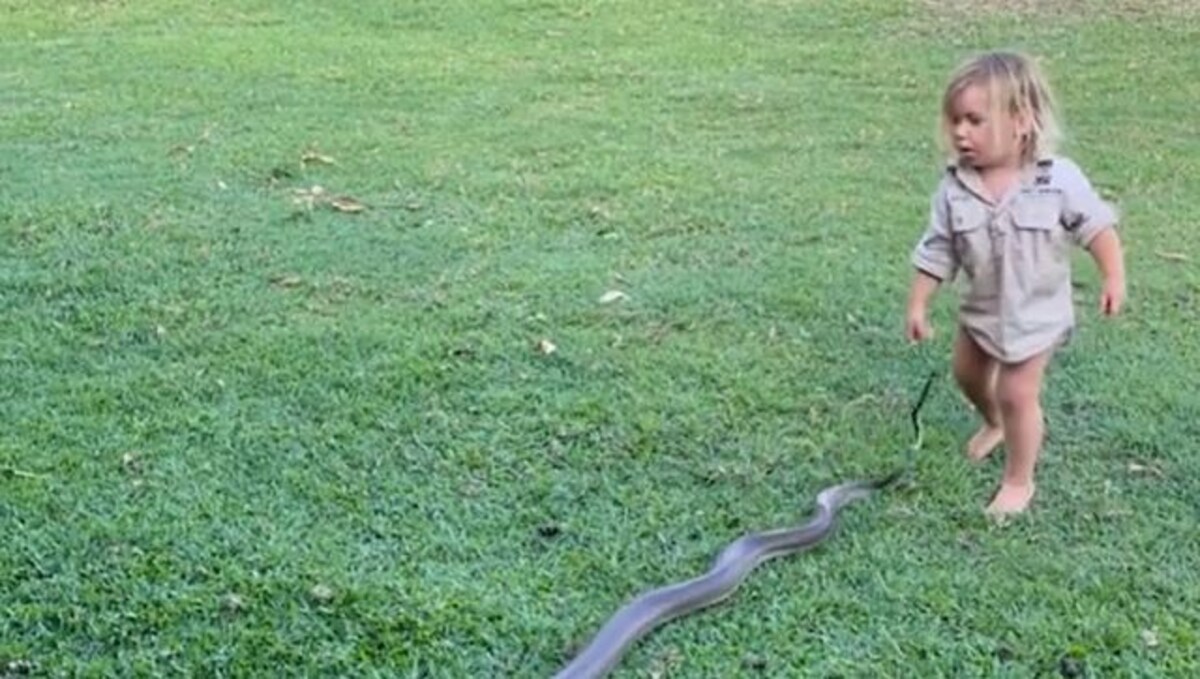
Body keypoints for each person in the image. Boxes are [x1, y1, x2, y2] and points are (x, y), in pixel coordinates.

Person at [904, 50, 1126, 515]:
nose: (960, 132)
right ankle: (995, 423)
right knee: (966, 374)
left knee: (1017, 392)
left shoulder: (1056, 179)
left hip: (1036, 315)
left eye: (974, 120)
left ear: (1021, 120)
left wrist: (1112, 276)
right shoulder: (954, 188)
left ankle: (1019, 480)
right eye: (954, 121)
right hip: (982, 311)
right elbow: (937, 250)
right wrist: (919, 305)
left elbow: (1097, 228)